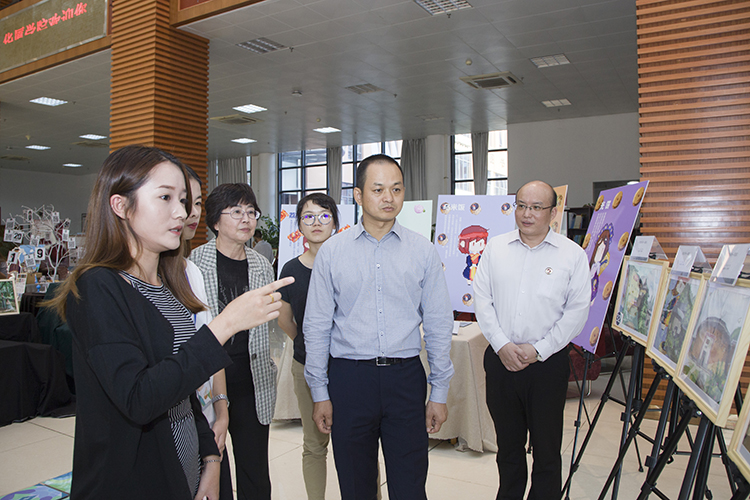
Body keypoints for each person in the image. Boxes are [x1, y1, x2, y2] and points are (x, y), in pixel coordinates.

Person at [47, 145, 292, 500]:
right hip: (136, 479)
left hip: (186, 467)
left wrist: (210, 458)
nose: (181, 212)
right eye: (165, 198)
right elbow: (139, 398)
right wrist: (224, 325)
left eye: (184, 200)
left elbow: (182, 385)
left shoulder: (166, 281)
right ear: (120, 206)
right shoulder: (98, 286)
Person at [304, 154, 454, 500]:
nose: (389, 198)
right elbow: (316, 326)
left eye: (396, 189)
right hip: (350, 380)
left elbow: (437, 323)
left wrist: (439, 393)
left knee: (410, 485)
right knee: (356, 486)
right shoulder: (333, 252)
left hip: (405, 380)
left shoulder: (422, 250)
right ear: (358, 195)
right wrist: (320, 392)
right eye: (378, 189)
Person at [472, 180, 590, 500]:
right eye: (521, 205)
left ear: (553, 212)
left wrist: (539, 349)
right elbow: (482, 300)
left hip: (547, 366)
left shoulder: (572, 255)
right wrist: (501, 345)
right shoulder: (496, 248)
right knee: (508, 448)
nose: (527, 214)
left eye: (536, 207)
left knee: (547, 450)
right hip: (501, 361)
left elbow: (577, 312)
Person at [189, 183, 276, 500]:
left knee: (255, 470)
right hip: (208, 380)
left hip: (253, 379)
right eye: (236, 211)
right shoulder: (194, 264)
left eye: (251, 212)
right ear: (215, 221)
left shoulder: (261, 265)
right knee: (214, 466)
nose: (246, 219)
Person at [277, 193, 340, 500]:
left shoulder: (348, 264)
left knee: (359, 444)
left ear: (336, 223)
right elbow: (285, 321)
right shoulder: (290, 270)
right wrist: (309, 346)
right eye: (309, 217)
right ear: (299, 225)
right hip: (305, 368)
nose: (317, 223)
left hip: (349, 367)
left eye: (324, 216)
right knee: (314, 445)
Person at [182, 166, 233, 500]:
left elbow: (209, 349)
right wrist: (230, 322)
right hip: (175, 426)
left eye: (196, 203)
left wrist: (221, 410)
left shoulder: (191, 271)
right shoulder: (110, 283)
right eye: (171, 199)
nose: (188, 212)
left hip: (206, 416)